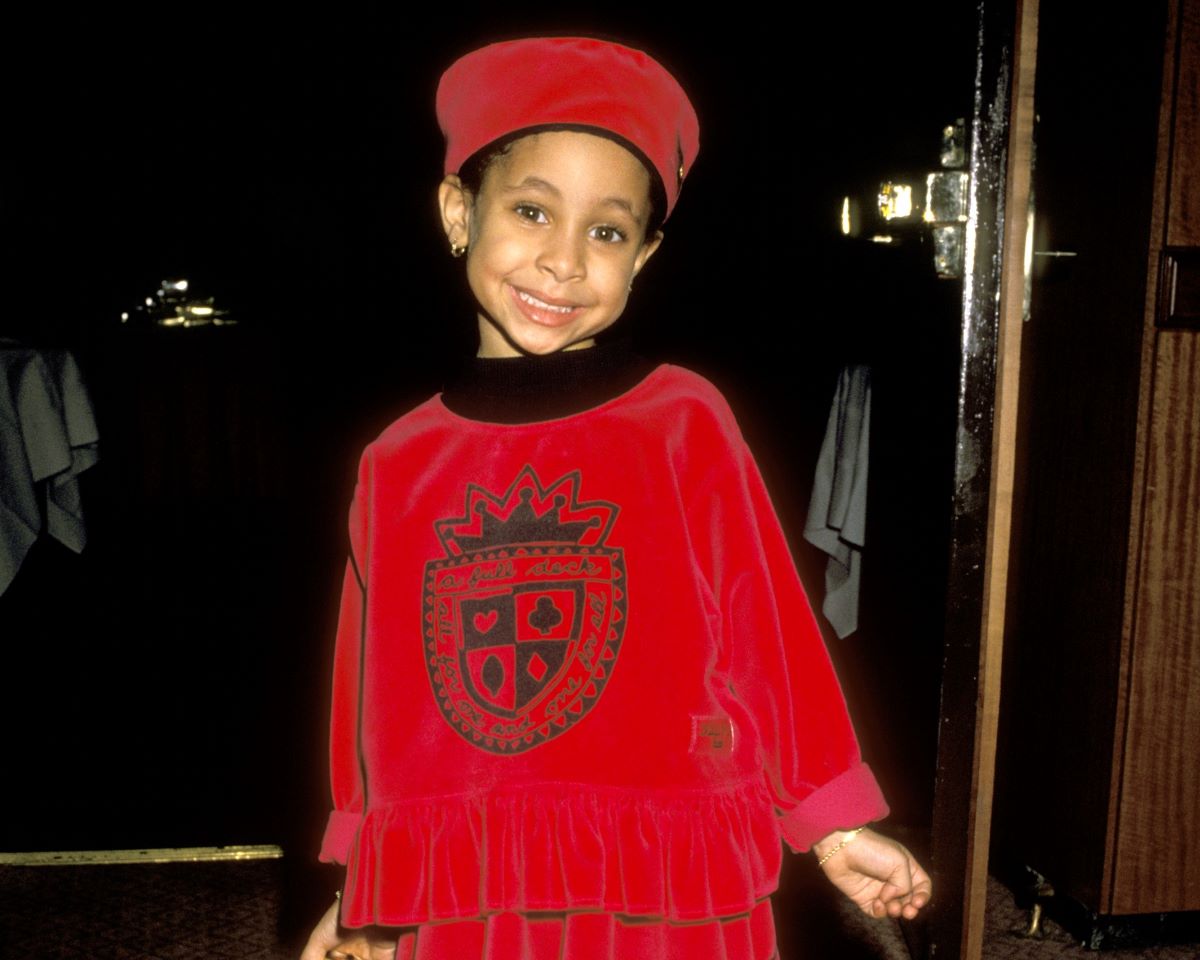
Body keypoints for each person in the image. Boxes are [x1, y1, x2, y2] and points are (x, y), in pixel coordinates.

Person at [301, 36, 931, 960]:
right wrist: (367, 887)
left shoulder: (684, 419)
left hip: (671, 868)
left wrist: (831, 822)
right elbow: (367, 691)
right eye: (529, 210)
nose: (563, 262)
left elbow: (770, 632)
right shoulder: (394, 459)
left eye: (607, 231)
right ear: (455, 212)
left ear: (643, 258)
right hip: (473, 875)